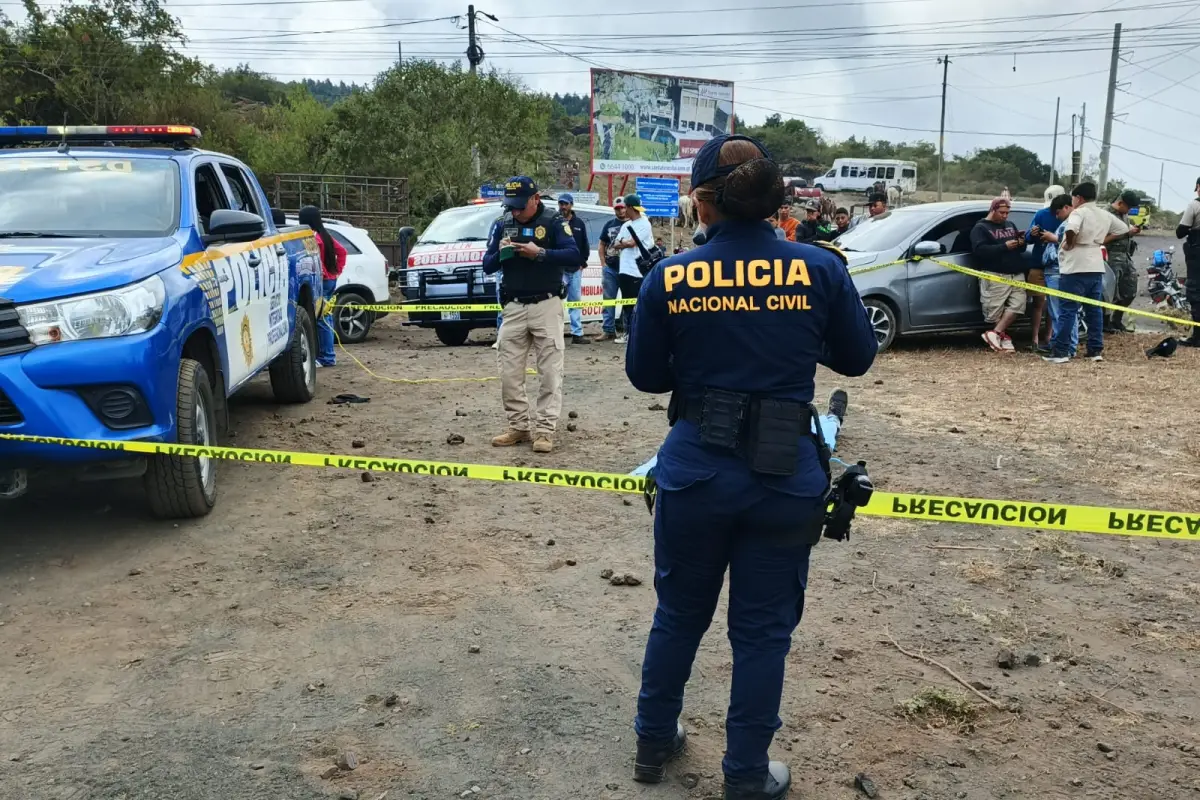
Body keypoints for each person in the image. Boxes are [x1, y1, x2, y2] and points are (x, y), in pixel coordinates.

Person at [625, 134, 877, 800]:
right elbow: (856, 359)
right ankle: (745, 778)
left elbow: (646, 377)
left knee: (677, 614)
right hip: (781, 476)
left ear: (703, 201)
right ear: (771, 199)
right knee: (763, 634)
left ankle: (653, 741)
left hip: (695, 471)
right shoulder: (818, 269)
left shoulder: (670, 276)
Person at [481, 176, 581, 453]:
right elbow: (487, 265)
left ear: (535, 199)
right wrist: (500, 253)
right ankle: (519, 427)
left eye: (520, 206)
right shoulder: (502, 224)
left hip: (546, 305)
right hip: (513, 307)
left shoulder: (554, 222)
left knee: (550, 373)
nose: (515, 212)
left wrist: (541, 253)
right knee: (509, 374)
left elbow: (574, 255)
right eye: (511, 206)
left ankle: (545, 430)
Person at [1044, 182, 1121, 364]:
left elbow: (1071, 229)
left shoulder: (1078, 212)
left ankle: (1061, 351)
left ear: (1078, 198)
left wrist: (1070, 242)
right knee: (1094, 310)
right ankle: (1095, 350)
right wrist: (1101, 240)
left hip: (1074, 267)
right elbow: (1122, 230)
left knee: (1067, 311)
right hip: (1095, 265)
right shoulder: (1104, 213)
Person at [970, 197, 1027, 352]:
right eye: (1002, 212)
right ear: (993, 210)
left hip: (1016, 272)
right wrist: (1003, 247)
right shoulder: (980, 228)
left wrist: (1021, 242)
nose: (1005, 216)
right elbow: (979, 251)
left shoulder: (1010, 225)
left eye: (1007, 213)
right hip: (995, 274)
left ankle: (995, 333)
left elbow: (1021, 249)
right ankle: (1002, 336)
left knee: (1019, 304)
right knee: (994, 310)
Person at [299, 205, 347, 368]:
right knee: (325, 317)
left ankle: (327, 357)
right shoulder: (325, 235)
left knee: (322, 319)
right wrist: (337, 271)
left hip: (323, 281)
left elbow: (315, 261)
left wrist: (325, 273)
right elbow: (342, 252)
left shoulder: (314, 239)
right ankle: (326, 355)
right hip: (330, 280)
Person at [609, 193, 654, 345]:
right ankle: (628, 333)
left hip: (638, 270)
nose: (623, 211)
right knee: (627, 304)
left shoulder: (644, 223)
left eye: (625, 207)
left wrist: (624, 242)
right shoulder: (625, 225)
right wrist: (623, 241)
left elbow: (632, 243)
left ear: (630, 208)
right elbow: (615, 244)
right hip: (625, 270)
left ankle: (639, 333)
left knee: (638, 304)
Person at [1037, 194, 1079, 357]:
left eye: (1057, 212)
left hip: (1058, 270)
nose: (1056, 216)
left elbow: (1069, 244)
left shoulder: (1070, 224)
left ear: (1067, 208)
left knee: (1061, 312)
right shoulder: (1067, 222)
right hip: (1057, 271)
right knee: (1060, 312)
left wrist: (1051, 238)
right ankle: (1058, 343)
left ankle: (1066, 347)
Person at [1025, 192, 1065, 353]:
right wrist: (1032, 233)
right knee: (1038, 302)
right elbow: (1028, 236)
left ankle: (1048, 336)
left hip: (1058, 265)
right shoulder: (1041, 214)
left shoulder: (1070, 218)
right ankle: (1034, 337)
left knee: (1053, 303)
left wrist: (1053, 237)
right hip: (1039, 263)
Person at [1104, 189, 1142, 333]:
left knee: (1130, 289)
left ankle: (1117, 319)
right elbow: (1103, 236)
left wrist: (1132, 231)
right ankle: (1105, 323)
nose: (1129, 211)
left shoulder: (1124, 215)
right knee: (1110, 291)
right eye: (1129, 207)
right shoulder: (1106, 214)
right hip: (1111, 255)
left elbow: (1125, 230)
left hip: (1125, 256)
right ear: (1120, 203)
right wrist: (1126, 232)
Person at [557, 193, 592, 345]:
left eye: (565, 204)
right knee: (556, 301)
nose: (563, 207)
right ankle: (556, 333)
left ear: (571, 205)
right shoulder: (555, 221)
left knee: (575, 301)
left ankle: (577, 333)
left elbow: (585, 245)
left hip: (575, 269)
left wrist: (582, 263)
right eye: (561, 204)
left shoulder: (579, 223)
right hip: (559, 270)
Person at [596, 197, 628, 341]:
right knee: (608, 300)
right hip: (611, 267)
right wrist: (603, 264)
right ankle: (608, 330)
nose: (620, 211)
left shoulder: (633, 224)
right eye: (617, 208)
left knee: (628, 301)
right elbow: (602, 244)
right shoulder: (609, 224)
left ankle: (628, 331)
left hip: (628, 269)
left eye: (622, 207)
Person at [1176, 177, 1200, 347]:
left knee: (1196, 294)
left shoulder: (1194, 205)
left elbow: (1180, 231)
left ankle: (1197, 337)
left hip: (1197, 256)